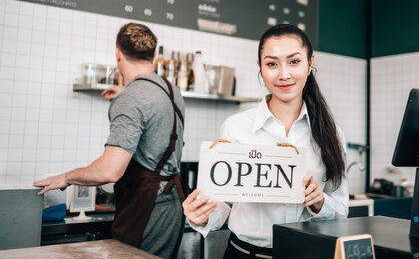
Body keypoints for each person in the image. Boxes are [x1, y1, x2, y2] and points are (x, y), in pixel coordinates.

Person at [182, 24, 349, 258]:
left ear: (310, 62)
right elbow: (224, 203)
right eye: (272, 63)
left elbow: (341, 210)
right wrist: (202, 214)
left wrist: (319, 201)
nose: (283, 74)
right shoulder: (236, 127)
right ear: (260, 66)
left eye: (294, 61)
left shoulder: (332, 134)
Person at [34, 23, 187, 259]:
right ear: (154, 55)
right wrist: (125, 94)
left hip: (146, 210)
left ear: (117, 53)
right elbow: (151, 109)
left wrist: (66, 177)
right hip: (173, 207)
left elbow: (109, 171)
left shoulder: (132, 99)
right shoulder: (171, 90)